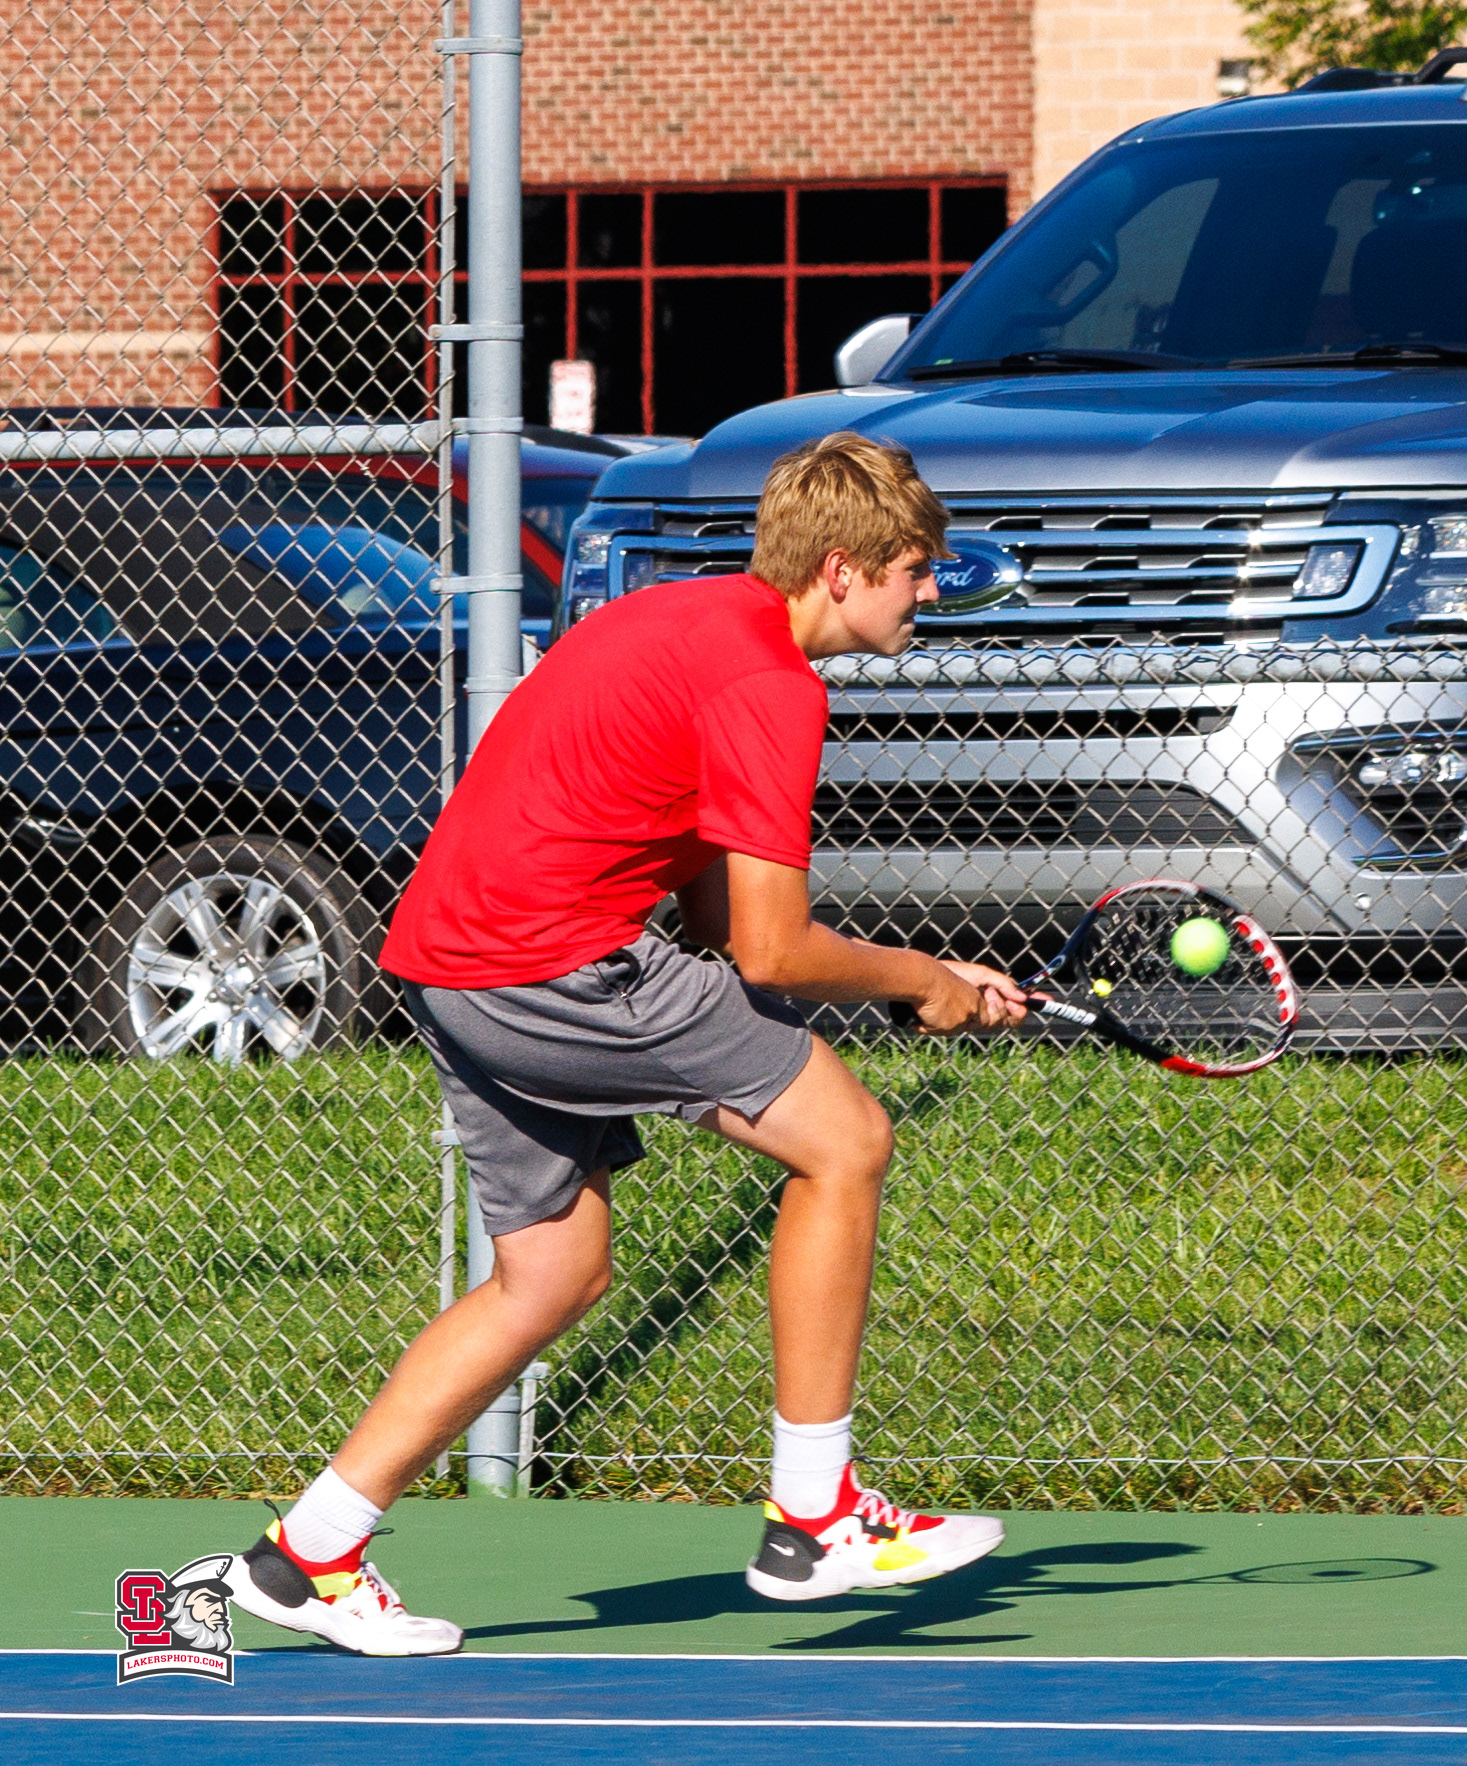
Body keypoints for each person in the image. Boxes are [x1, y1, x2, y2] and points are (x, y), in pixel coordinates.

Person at [221, 431, 1028, 1654]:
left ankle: (309, 1549)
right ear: (846, 570)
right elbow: (770, 950)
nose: (930, 592)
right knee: (848, 1141)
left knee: (550, 1274)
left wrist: (914, 988)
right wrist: (923, 979)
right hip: (550, 962)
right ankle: (816, 1516)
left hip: (448, 961)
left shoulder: (683, 619)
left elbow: (713, 910)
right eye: (916, 569)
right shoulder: (773, 684)